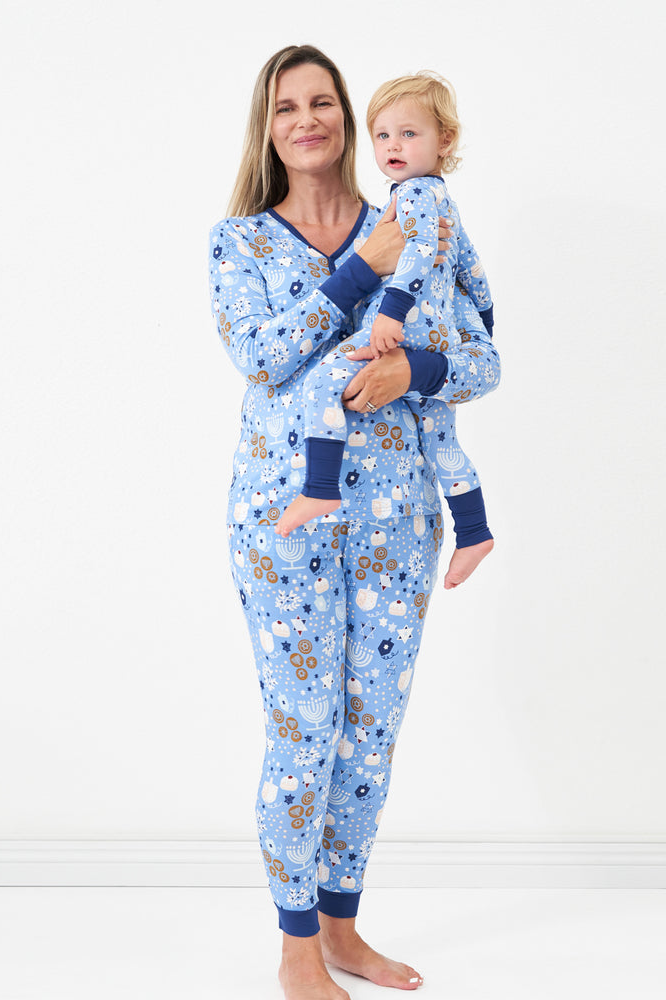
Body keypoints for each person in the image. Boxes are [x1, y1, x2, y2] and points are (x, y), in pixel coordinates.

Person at [209, 44, 500, 1000]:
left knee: (368, 733)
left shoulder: (418, 215)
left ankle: (343, 926)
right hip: (283, 521)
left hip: (396, 524)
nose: (308, 120)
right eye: (287, 106)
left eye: (323, 101)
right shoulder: (239, 243)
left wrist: (411, 370)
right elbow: (262, 359)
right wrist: (356, 270)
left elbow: (482, 355)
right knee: (304, 728)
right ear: (270, 126)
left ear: (348, 117)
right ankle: (296, 949)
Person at [276, 72, 495, 591]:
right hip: (275, 520)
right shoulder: (240, 237)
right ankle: (476, 529)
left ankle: (321, 485)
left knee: (325, 377)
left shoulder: (409, 201)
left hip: (397, 513)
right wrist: (484, 316)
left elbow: (485, 365)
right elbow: (473, 269)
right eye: (384, 135)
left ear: (444, 139)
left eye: (409, 134)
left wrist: (397, 324)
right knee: (444, 443)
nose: (394, 145)